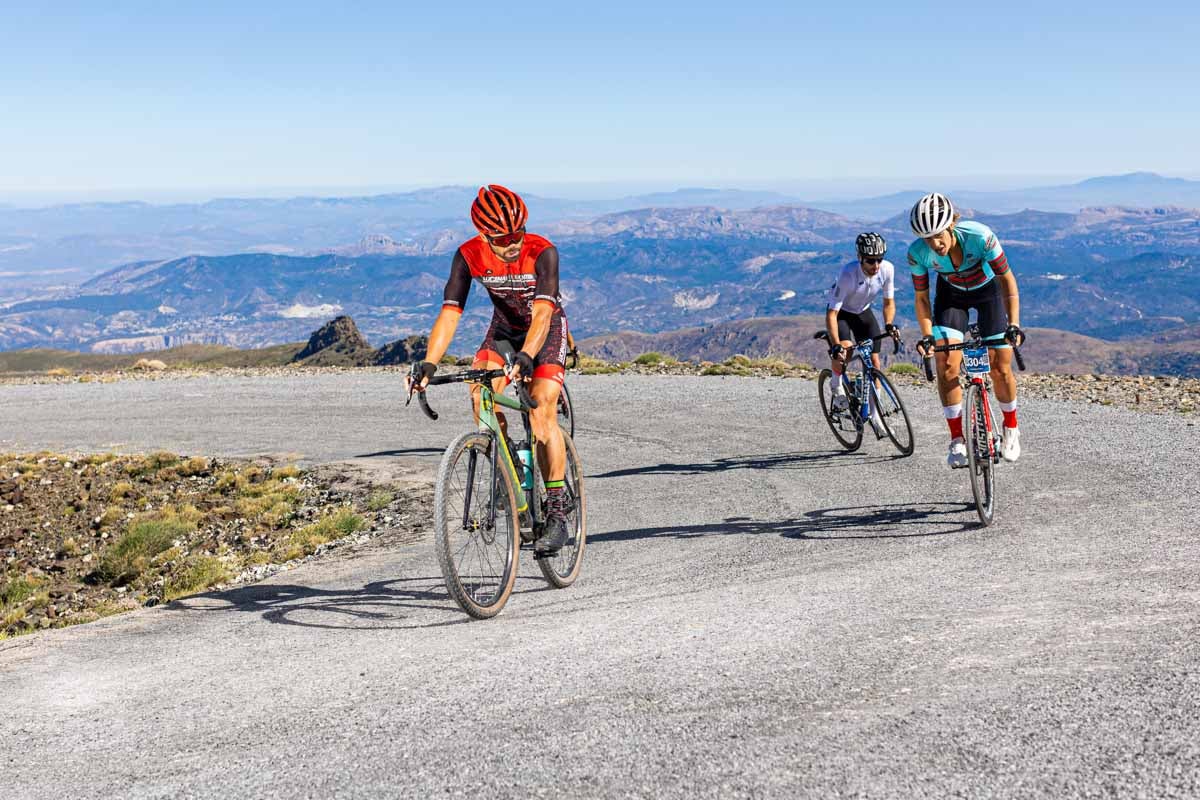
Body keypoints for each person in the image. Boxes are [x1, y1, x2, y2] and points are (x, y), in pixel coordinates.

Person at [406, 184, 572, 554]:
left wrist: (528, 355)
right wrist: (430, 364)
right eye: (503, 238)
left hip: (544, 331)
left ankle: (558, 510)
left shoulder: (542, 251)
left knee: (542, 409)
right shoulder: (467, 255)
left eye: (518, 233)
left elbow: (543, 314)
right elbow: (450, 314)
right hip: (503, 330)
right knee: (481, 393)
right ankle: (507, 469)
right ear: (484, 235)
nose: (514, 244)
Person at [907, 192, 1025, 468]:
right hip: (951, 298)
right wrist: (927, 334)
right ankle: (957, 439)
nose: (934, 244)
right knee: (946, 364)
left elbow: (1007, 280)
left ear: (951, 225)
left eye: (938, 235)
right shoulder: (917, 253)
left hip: (988, 294)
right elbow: (922, 298)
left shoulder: (981, 237)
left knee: (1000, 366)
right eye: (927, 238)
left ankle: (1011, 428)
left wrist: (1014, 324)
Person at [825, 232, 899, 412]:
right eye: (870, 260)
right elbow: (831, 314)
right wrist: (836, 345)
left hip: (863, 313)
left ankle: (875, 414)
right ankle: (836, 384)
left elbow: (888, 303)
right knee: (845, 351)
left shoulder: (887, 269)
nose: (876, 265)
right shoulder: (847, 274)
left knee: (875, 362)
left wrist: (889, 324)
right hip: (842, 314)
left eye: (879, 259)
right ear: (860, 258)